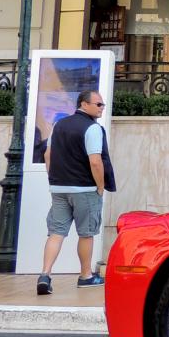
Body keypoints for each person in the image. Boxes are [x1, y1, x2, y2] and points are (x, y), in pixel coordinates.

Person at [39, 89, 115, 295]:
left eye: (102, 104)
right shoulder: (92, 129)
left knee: (56, 233)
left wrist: (53, 178)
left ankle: (45, 274)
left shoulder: (59, 125)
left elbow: (48, 155)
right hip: (84, 188)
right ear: (84, 104)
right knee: (86, 233)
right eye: (98, 104)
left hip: (59, 187)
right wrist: (100, 186)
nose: (101, 108)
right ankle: (86, 276)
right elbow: (95, 161)